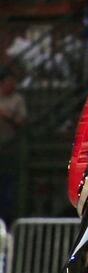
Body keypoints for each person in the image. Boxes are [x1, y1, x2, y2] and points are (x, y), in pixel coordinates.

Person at [0, 64, 26, 222]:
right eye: (10, 81)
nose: (13, 84)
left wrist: (5, 115)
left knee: (7, 186)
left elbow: (21, 121)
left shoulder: (17, 99)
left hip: (8, 148)